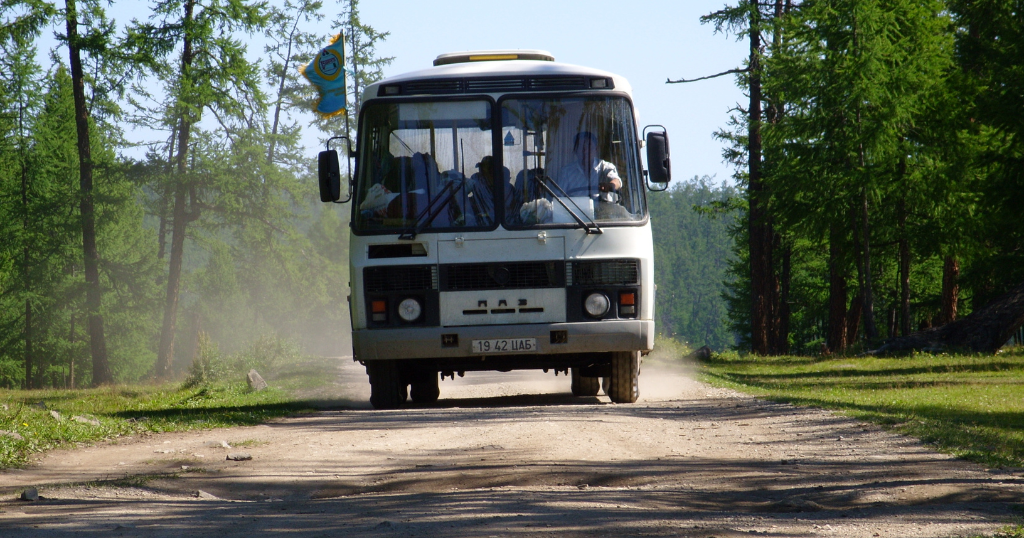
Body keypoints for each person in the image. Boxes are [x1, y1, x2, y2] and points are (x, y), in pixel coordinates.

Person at [556, 131, 622, 200]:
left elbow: (617, 181)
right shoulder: (566, 172)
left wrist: (610, 185)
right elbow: (558, 198)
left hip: (603, 210)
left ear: (596, 150)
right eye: (581, 148)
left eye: (589, 147)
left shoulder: (604, 166)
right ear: (575, 151)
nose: (585, 151)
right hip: (574, 210)